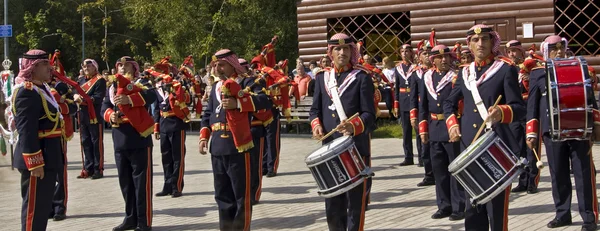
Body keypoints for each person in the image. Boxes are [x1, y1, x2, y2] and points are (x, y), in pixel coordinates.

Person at [443, 24, 525, 231]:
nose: (481, 44)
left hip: (496, 148)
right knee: (473, 209)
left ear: (492, 42)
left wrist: (502, 112)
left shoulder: (505, 70)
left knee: (496, 211)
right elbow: (448, 103)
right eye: (476, 40)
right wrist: (452, 124)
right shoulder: (464, 73)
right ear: (469, 44)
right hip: (469, 146)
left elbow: (519, 108)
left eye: (485, 39)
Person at [526, 35, 599, 231]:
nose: (559, 52)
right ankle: (562, 214)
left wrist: (596, 124)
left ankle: (589, 218)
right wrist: (531, 132)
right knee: (558, 174)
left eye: (561, 48)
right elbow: (532, 105)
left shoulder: (577, 67)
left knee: (583, 174)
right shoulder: (537, 73)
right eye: (553, 49)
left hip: (578, 128)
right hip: (552, 131)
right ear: (545, 51)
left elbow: (589, 96)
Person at [199, 49, 271, 230]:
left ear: (232, 65)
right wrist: (203, 137)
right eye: (215, 65)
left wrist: (239, 103)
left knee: (241, 196)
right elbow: (208, 114)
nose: (217, 68)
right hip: (217, 146)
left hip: (238, 144)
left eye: (221, 64)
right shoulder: (215, 87)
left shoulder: (248, 82)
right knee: (222, 195)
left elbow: (264, 100)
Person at [310, 33, 376, 231]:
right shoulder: (322, 78)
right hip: (329, 149)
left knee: (355, 203)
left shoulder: (361, 78)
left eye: (346, 48)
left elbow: (369, 115)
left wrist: (353, 126)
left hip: (354, 148)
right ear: (330, 52)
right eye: (337, 49)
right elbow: (315, 110)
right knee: (333, 202)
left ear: (352, 51)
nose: (342, 52)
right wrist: (316, 125)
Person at [102, 56, 156, 231]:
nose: (122, 68)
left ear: (134, 68)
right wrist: (110, 115)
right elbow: (104, 106)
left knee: (141, 184)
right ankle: (130, 218)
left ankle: (144, 221)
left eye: (126, 65)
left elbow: (151, 96)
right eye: (119, 66)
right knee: (125, 182)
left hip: (139, 137)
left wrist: (130, 100)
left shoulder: (142, 82)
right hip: (119, 137)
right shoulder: (112, 86)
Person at [13, 49, 64, 231]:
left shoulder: (41, 89)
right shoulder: (27, 92)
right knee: (34, 211)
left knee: (41, 210)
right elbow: (26, 131)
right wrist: (35, 163)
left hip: (49, 157)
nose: (50, 67)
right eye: (44, 64)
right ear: (32, 68)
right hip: (38, 159)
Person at [418, 44, 466, 221]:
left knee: (455, 169)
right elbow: (422, 105)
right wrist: (423, 129)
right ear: (433, 60)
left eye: (447, 57)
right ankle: (443, 205)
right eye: (440, 57)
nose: (444, 60)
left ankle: (459, 207)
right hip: (434, 127)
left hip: (452, 127)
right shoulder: (427, 78)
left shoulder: (456, 77)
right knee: (439, 170)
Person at [149, 57, 191, 198]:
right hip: (164, 124)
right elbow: (156, 109)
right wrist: (156, 127)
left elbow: (187, 99)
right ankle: (167, 185)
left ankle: (176, 186)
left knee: (177, 157)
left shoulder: (177, 85)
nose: (157, 73)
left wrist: (174, 91)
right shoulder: (157, 88)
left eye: (160, 70)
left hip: (176, 123)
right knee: (166, 157)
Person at [505, 40, 540, 194]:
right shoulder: (506, 68)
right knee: (517, 149)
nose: (512, 54)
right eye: (509, 52)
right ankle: (522, 180)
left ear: (521, 51)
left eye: (515, 51)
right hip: (514, 113)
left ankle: (532, 181)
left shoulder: (531, 66)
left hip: (527, 109)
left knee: (530, 148)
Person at [75, 58, 106, 179]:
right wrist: (75, 95)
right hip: (83, 115)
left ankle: (98, 169)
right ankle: (89, 168)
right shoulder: (81, 80)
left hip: (94, 115)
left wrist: (82, 100)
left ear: (94, 67)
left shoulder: (100, 81)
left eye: (88, 66)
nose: (86, 69)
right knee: (85, 142)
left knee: (96, 142)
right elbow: (74, 90)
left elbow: (98, 98)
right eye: (84, 67)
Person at [394, 44, 421, 166]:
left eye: (407, 51)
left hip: (414, 102)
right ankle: (408, 157)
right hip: (404, 101)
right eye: (402, 51)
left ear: (411, 53)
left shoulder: (415, 68)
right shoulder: (398, 68)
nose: (404, 53)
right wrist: (396, 104)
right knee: (406, 132)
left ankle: (422, 157)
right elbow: (397, 87)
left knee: (418, 131)